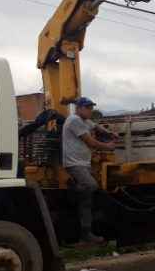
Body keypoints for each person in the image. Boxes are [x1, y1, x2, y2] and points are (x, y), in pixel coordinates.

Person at [62, 97, 116, 244]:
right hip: (75, 164)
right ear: (78, 108)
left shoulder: (84, 121)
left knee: (92, 196)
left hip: (83, 164)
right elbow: (90, 141)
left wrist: (109, 133)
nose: (90, 110)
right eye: (87, 107)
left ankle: (87, 230)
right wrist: (108, 146)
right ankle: (75, 191)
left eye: (91, 108)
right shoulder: (74, 120)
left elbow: (96, 127)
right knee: (90, 186)